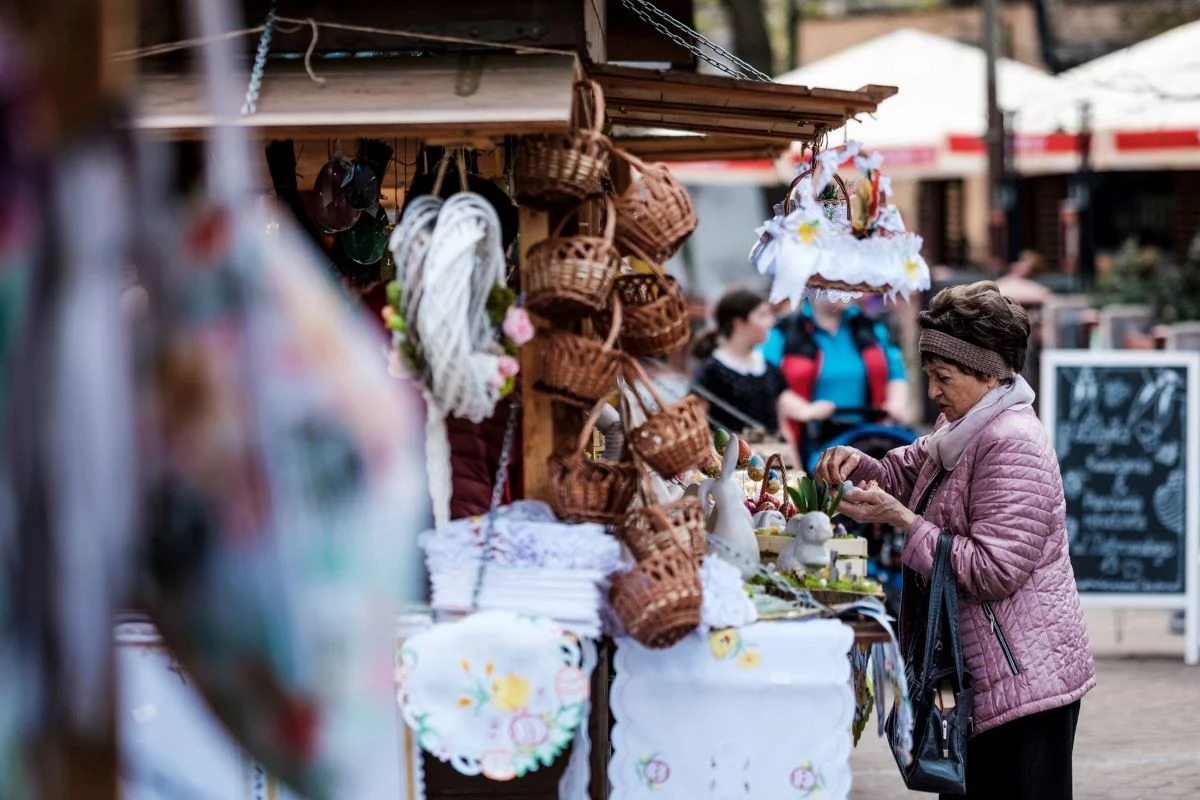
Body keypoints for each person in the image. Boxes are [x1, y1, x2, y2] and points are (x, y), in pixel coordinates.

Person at [815, 281, 1095, 800]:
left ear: (990, 374)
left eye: (943, 377)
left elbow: (993, 569)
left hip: (1022, 685)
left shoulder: (1011, 443)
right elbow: (908, 470)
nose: (933, 390)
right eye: (928, 375)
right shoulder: (962, 424)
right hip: (978, 678)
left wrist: (903, 522)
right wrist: (859, 464)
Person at [761, 297, 910, 450]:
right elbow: (767, 384)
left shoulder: (870, 327)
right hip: (810, 442)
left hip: (868, 439)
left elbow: (896, 373)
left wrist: (896, 404)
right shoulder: (783, 331)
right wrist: (806, 411)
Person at [691, 288, 833, 437]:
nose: (770, 322)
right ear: (738, 323)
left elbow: (783, 404)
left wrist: (811, 411)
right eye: (762, 315)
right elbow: (697, 424)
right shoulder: (711, 370)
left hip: (771, 456)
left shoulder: (766, 367)